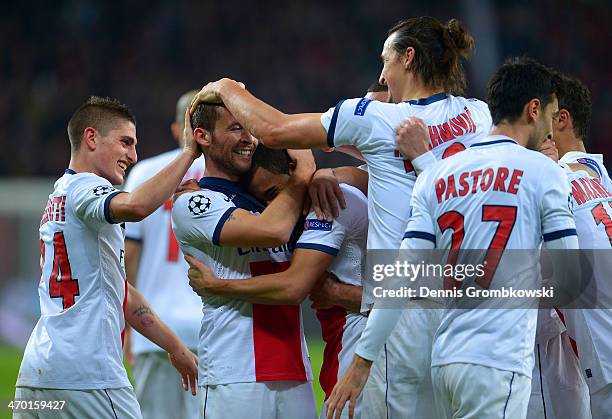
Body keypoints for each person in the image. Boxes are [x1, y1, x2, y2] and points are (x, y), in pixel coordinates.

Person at [190, 16, 492, 418]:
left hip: (401, 317)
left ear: (408, 57)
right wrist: (333, 173)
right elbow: (406, 178)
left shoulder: (374, 116)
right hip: (466, 305)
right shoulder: (478, 116)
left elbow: (275, 131)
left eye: (386, 60)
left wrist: (224, 87)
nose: (382, 73)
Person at [328, 57, 579, 419]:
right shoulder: (543, 172)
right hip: (498, 360)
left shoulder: (437, 175)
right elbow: (570, 281)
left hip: (444, 360)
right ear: (534, 109)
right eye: (550, 118)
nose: (551, 133)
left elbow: (401, 277)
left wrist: (362, 361)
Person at [14, 96, 199, 418]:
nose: (133, 155)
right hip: (87, 373)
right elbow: (136, 206)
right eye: (125, 142)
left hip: (37, 374)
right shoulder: (85, 187)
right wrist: (188, 152)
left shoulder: (59, 194)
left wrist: (175, 346)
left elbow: (122, 291)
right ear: (91, 138)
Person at [184, 145, 370, 418]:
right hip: (356, 350)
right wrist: (206, 195)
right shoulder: (358, 194)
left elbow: (294, 286)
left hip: (363, 351)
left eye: (275, 193)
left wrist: (218, 286)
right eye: (265, 201)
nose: (275, 208)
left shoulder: (329, 203)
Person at [171, 102, 318, 418]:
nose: (249, 138)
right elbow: (274, 230)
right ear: (203, 136)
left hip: (293, 367)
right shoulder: (195, 202)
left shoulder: (273, 195)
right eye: (236, 128)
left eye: (250, 128)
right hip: (235, 371)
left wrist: (321, 177)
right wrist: (305, 172)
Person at [123, 90, 205, 419]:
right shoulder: (232, 177)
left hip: (154, 327)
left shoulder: (145, 174)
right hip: (215, 327)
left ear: (177, 129)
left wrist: (128, 325)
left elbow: (128, 257)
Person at [553, 73, 612, 418]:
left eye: (539, 111)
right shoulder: (601, 177)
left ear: (562, 118)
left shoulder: (555, 180)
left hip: (604, 357)